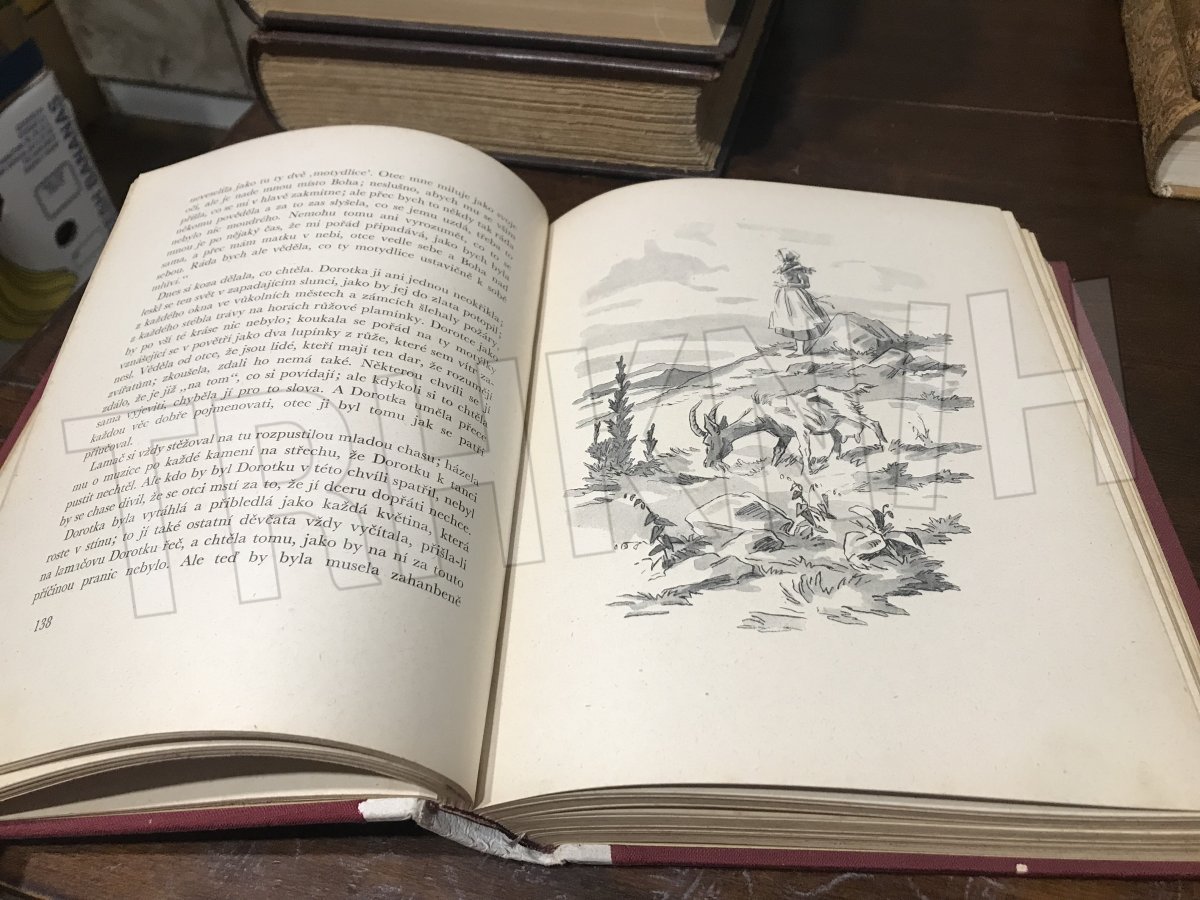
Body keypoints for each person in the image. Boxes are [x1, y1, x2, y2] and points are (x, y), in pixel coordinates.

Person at [769, 249, 829, 356]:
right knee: (790, 321)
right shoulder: (783, 268)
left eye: (778, 255)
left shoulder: (797, 269)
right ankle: (798, 346)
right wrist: (781, 284)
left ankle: (800, 351)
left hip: (796, 298)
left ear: (785, 256)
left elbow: (806, 285)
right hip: (784, 297)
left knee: (799, 321)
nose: (776, 256)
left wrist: (788, 285)